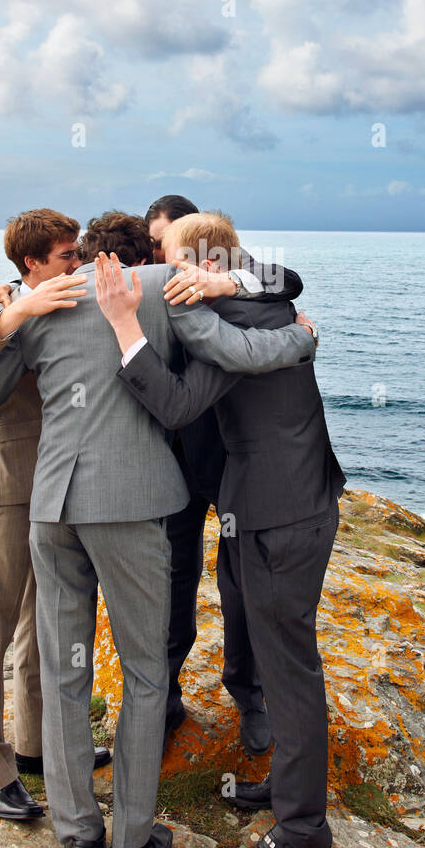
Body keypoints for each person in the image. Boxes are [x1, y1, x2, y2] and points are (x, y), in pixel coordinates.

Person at [0, 213, 316, 848]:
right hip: (130, 504)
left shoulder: (46, 301)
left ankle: (80, 839)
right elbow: (234, 349)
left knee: (62, 674)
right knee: (146, 676)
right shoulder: (163, 286)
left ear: (80, 255)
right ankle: (133, 841)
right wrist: (299, 339)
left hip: (52, 508)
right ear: (144, 251)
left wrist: (9, 309)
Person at [93, 210, 345, 848]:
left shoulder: (235, 315)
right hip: (276, 503)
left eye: (172, 258)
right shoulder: (258, 300)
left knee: (289, 669)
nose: (165, 270)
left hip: (280, 514)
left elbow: (177, 405)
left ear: (206, 263)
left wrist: (123, 327)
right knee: (277, 653)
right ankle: (293, 792)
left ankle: (302, 834)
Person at [0, 208, 110, 823]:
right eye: (67, 255)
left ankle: (36, 746)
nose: (78, 263)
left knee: (44, 627)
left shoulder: (77, 296)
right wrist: (16, 310)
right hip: (7, 490)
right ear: (31, 263)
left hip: (64, 489)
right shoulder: (0, 311)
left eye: (78, 253)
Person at [144, 194, 304, 755]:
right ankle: (162, 694)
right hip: (173, 459)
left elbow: (289, 278)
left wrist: (226, 287)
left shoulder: (235, 274)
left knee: (239, 585)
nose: (160, 259)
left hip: (237, 461)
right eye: (155, 248)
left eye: (166, 246)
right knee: (171, 579)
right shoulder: (151, 277)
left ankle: (250, 695)